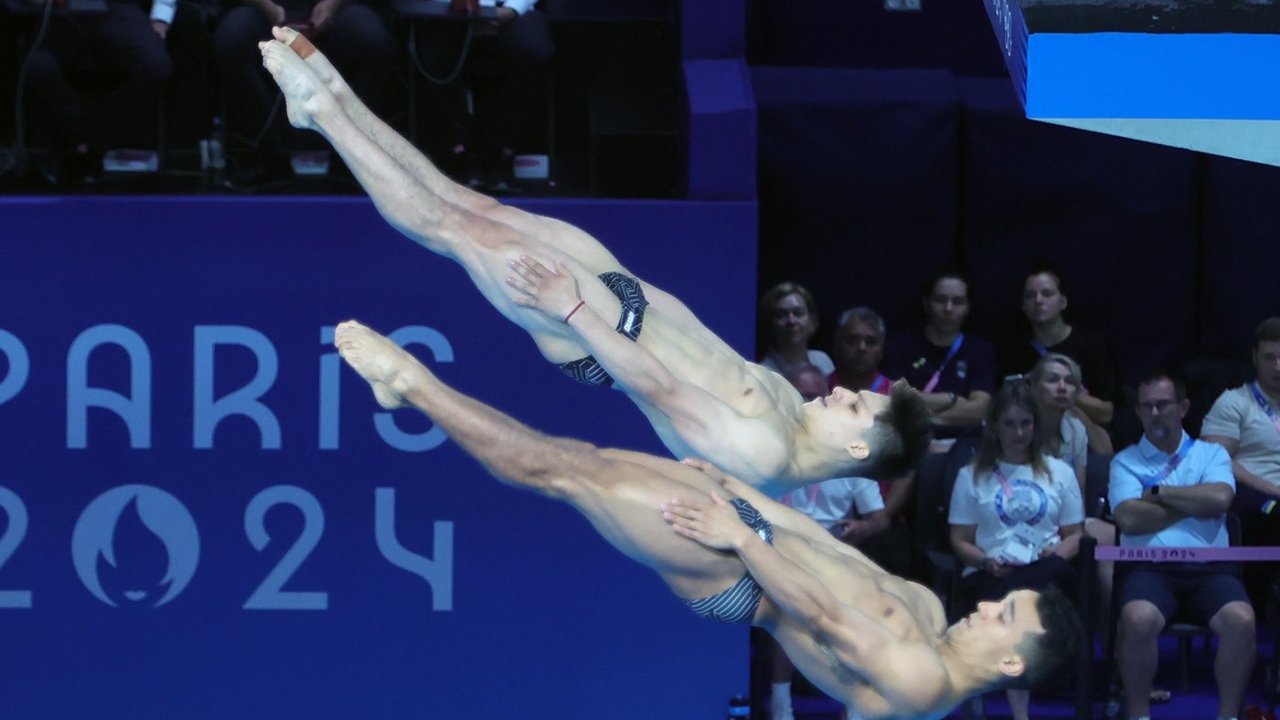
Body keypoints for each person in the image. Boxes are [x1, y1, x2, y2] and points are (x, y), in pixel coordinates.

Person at [256, 31, 933, 493]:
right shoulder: (793, 403)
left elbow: (659, 389)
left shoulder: (763, 454)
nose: (846, 392)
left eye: (857, 411)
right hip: (621, 298)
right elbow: (700, 341)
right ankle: (335, 98)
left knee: (448, 228)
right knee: (473, 205)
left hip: (586, 328)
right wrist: (627, 284)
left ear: (856, 451)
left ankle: (323, 117)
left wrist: (572, 308)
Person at [332, 318, 1088, 720]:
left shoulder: (924, 684)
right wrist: (744, 497)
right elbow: (829, 560)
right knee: (584, 456)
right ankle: (412, 389)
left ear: (1012, 663)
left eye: (1003, 616)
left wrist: (736, 536)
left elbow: (820, 611)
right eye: (1001, 600)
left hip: (739, 577)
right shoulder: (927, 611)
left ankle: (412, 387)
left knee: (566, 472)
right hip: (755, 539)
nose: (987, 606)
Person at [1110, 370, 1254, 720]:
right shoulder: (1124, 461)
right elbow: (1128, 518)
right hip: (1148, 569)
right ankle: (1139, 715)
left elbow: (1220, 499)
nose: (1155, 413)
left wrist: (1160, 495)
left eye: (1163, 405)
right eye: (1147, 407)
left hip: (1211, 570)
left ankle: (1228, 716)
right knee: (1136, 617)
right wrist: (1193, 507)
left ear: (1183, 407)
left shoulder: (1211, 455)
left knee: (1242, 619)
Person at [948, 381, 1085, 720]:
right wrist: (985, 561)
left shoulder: (1060, 472)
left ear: (1036, 426)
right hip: (989, 577)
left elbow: (1076, 534)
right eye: (1009, 424)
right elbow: (959, 540)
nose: (1019, 432)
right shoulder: (971, 476)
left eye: (1026, 423)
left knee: (1047, 579)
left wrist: (1054, 555)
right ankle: (1019, 712)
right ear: (995, 427)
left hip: (1047, 572)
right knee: (1019, 601)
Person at [767, 365, 891, 720]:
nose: (807, 402)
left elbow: (878, 518)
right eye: (800, 396)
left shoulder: (851, 451)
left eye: (814, 395)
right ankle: (781, 709)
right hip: (781, 551)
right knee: (787, 616)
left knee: (854, 619)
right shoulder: (772, 445)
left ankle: (853, 708)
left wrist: (858, 528)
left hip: (835, 554)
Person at [213, 0, 398, 190]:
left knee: (375, 42)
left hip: (340, 7)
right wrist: (268, 7)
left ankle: (351, 162)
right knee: (231, 39)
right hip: (262, 7)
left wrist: (332, 5)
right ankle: (269, 157)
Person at [15, 0, 174, 184]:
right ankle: (81, 146)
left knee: (156, 68)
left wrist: (161, 18)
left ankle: (86, 144)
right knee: (37, 67)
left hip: (120, 9)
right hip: (62, 10)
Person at [410, 0, 553, 190]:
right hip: (444, 11)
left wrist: (510, 10)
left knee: (534, 52)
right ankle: (457, 150)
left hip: (512, 10)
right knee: (432, 55)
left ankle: (501, 150)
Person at [829, 306, 913, 578]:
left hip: (882, 517)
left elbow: (906, 469)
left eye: (870, 341)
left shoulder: (898, 398)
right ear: (838, 344)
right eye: (852, 340)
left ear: (881, 349)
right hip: (824, 511)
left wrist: (879, 521)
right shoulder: (819, 388)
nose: (861, 347)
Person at [883, 269, 996, 451]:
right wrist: (950, 399)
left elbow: (979, 410)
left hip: (965, 447)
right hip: (911, 445)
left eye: (957, 302)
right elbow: (896, 400)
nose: (948, 308)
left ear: (968, 307)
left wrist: (922, 414)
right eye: (940, 300)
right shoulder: (901, 345)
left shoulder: (980, 349)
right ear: (926, 303)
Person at [997, 265, 1118, 428]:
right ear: (1023, 306)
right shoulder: (1013, 351)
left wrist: (1053, 389)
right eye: (1031, 295)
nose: (1038, 300)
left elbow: (1106, 413)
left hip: (1084, 439)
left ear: (1063, 302)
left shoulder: (1092, 345)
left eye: (1047, 294)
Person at [1202, 317, 1280, 546]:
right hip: (1254, 495)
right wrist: (1274, 489)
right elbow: (1216, 459)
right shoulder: (1234, 402)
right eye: (1269, 357)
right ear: (1255, 358)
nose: (1277, 366)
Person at [757, 282, 835, 380]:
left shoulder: (823, 360)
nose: (791, 321)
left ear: (812, 320)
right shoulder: (763, 372)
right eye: (781, 315)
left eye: (798, 313)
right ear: (769, 323)